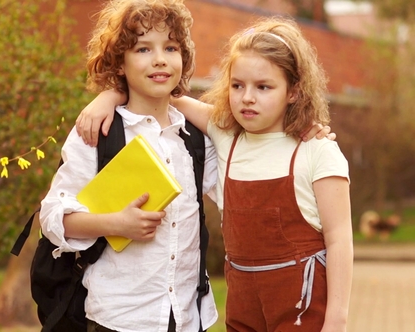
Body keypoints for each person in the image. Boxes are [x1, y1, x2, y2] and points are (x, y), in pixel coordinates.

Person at [75, 16, 352, 332]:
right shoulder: (226, 136)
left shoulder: (317, 150)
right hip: (243, 307)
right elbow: (157, 91)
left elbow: (339, 239)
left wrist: (337, 319)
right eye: (237, 85)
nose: (247, 97)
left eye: (263, 87)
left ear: (294, 91)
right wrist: (109, 95)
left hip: (301, 307)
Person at [38, 0, 219, 331]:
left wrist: (308, 131)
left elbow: (247, 159)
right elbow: (52, 218)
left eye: (171, 47)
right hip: (119, 319)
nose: (160, 58)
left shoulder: (193, 140)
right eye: (142, 49)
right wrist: (115, 223)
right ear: (119, 63)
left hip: (189, 318)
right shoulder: (100, 132)